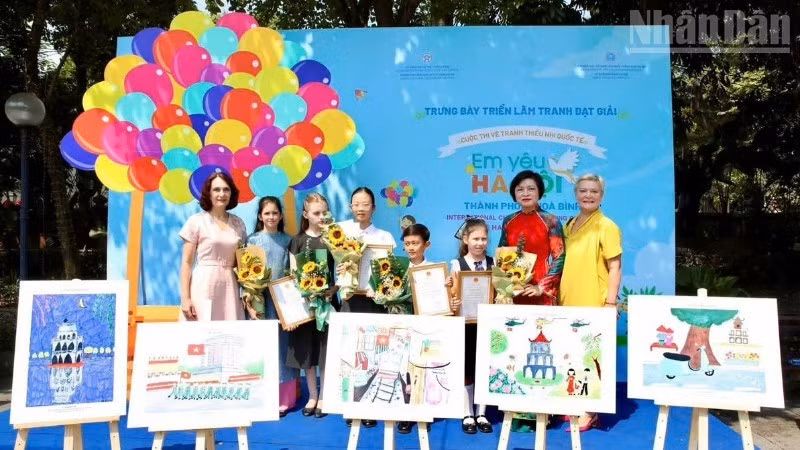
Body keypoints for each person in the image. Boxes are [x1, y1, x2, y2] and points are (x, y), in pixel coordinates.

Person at [559, 173, 622, 431]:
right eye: (583, 190)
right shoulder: (569, 224)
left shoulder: (606, 226)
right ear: (576, 194)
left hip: (594, 301)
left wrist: (610, 303)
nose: (588, 195)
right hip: (568, 299)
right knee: (572, 354)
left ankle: (590, 410)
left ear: (602, 196)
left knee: (594, 356)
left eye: (594, 191)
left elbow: (615, 266)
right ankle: (575, 402)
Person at [337, 187, 396, 429]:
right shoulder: (340, 232)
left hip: (374, 301)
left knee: (373, 353)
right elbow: (335, 263)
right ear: (351, 207)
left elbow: (389, 272)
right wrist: (341, 276)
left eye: (365, 204)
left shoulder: (385, 237)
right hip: (350, 298)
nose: (360, 208)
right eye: (356, 204)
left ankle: (370, 404)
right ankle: (350, 405)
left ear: (374, 207)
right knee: (350, 352)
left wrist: (379, 287)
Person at [246, 196, 300, 417]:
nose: (271, 217)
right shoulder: (252, 240)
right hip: (259, 301)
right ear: (260, 216)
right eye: (266, 213)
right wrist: (248, 300)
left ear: (280, 216)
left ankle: (285, 399)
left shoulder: (289, 241)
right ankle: (260, 396)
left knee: (283, 348)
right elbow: (244, 272)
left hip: (282, 302)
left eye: (275, 213)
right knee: (260, 347)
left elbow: (292, 273)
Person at [287, 193, 339, 419]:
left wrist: (332, 290)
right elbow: (291, 275)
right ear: (305, 214)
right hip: (305, 306)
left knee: (326, 351)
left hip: (327, 304)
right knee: (308, 351)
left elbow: (346, 270)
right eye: (316, 213)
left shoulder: (335, 239)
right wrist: (304, 294)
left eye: (324, 212)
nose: (320, 217)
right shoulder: (297, 241)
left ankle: (326, 395)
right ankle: (312, 394)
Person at [446, 218, 494, 434]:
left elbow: (500, 292)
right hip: (465, 324)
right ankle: (467, 413)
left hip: (487, 323)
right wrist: (452, 301)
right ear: (466, 239)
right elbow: (452, 296)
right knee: (466, 368)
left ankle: (482, 412)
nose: (480, 243)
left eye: (484, 239)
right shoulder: (457, 264)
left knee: (484, 367)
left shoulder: (494, 263)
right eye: (475, 238)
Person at [179, 172, 247, 321]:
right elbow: (186, 263)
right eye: (216, 189)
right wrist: (185, 298)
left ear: (231, 193)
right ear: (208, 193)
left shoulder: (239, 224)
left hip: (230, 287)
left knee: (230, 336)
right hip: (203, 285)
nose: (222, 194)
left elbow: (242, 263)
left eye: (226, 189)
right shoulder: (196, 221)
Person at [498, 170, 565, 305]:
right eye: (520, 189)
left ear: (539, 192)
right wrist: (504, 290)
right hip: (514, 291)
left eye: (531, 189)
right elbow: (502, 256)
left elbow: (560, 257)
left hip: (540, 291)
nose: (525, 193)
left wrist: (542, 287)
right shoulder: (508, 221)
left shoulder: (551, 220)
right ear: (514, 194)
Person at [397, 223, 433, 435]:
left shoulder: (434, 269)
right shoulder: (396, 269)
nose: (411, 247)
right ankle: (404, 411)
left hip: (425, 327)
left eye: (415, 243)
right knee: (402, 368)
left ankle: (423, 411)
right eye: (407, 243)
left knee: (422, 368)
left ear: (426, 245)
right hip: (401, 326)